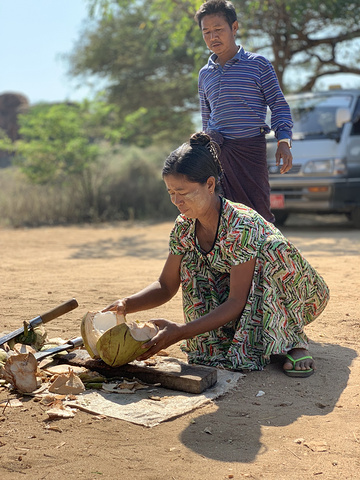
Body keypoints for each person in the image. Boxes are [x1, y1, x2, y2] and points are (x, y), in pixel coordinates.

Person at [103, 132, 330, 376]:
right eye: (171, 193)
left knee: (272, 249)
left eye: (184, 192)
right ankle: (248, 337)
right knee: (191, 261)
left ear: (210, 184)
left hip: (297, 294)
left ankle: (292, 340)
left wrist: (181, 330)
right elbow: (166, 285)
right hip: (242, 294)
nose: (177, 201)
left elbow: (236, 301)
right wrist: (126, 305)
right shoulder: (184, 226)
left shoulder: (240, 225)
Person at [194, 0, 293, 223]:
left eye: (218, 30)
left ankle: (265, 258)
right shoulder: (204, 74)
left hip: (251, 150)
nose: (212, 37)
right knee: (221, 217)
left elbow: (278, 104)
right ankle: (227, 259)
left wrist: (284, 142)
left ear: (234, 27)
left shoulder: (258, 64)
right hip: (218, 154)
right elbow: (206, 118)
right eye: (206, 32)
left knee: (258, 215)